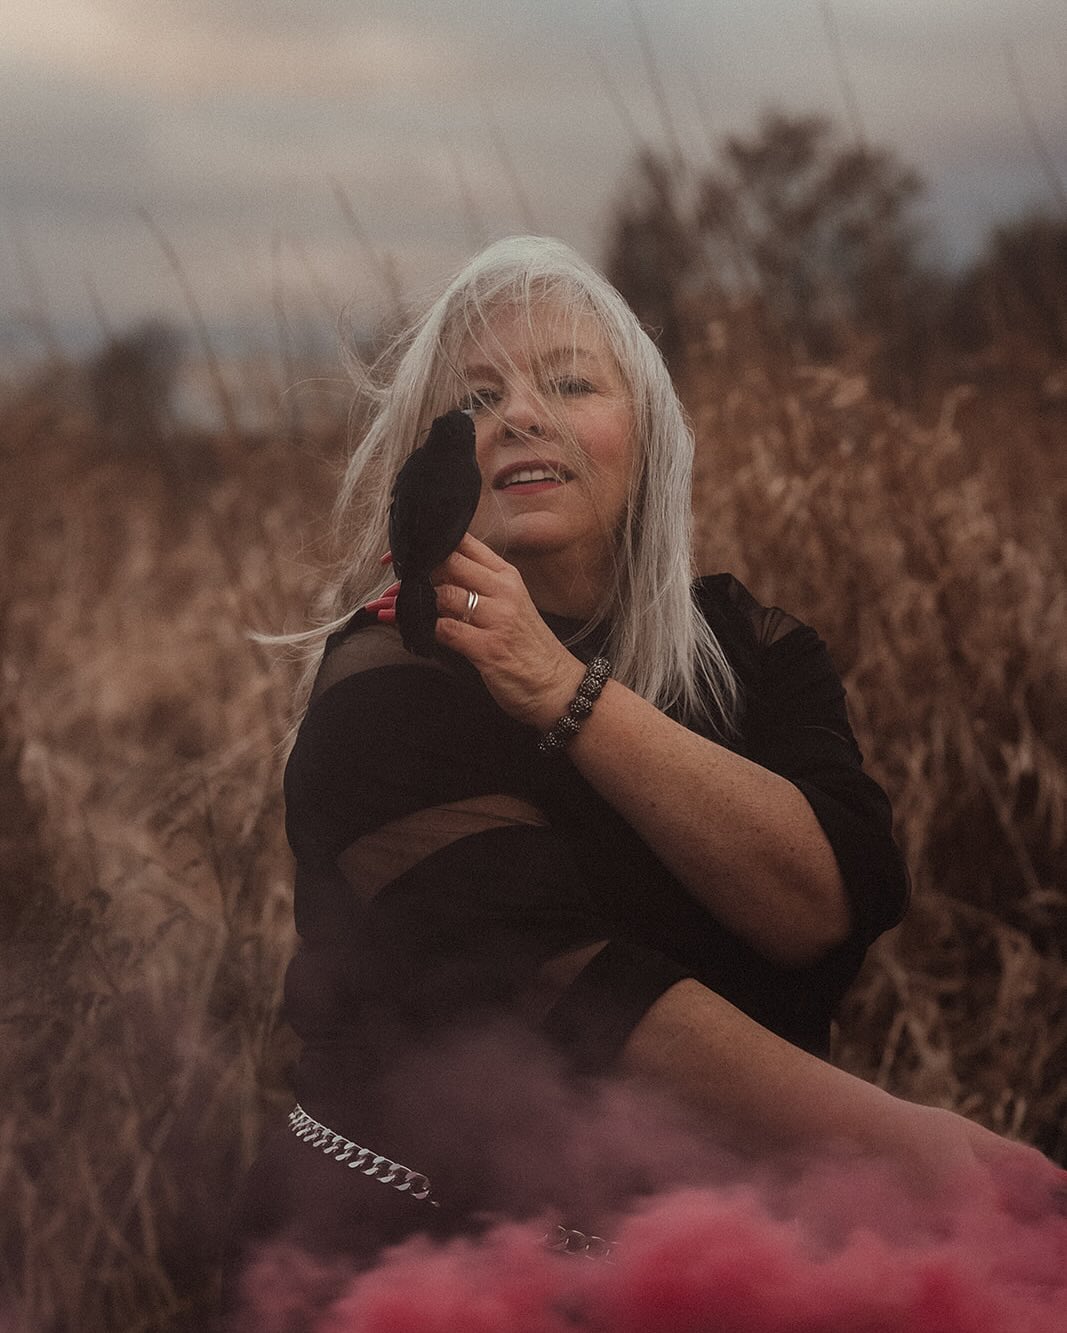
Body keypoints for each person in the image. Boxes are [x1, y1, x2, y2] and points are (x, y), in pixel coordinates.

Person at [226, 236, 1058, 1304]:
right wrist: (921, 1150)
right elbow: (556, 996)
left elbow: (822, 901)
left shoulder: (750, 651)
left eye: (570, 380)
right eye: (476, 397)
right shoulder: (388, 677)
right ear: (430, 467)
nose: (522, 412)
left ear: (649, 435)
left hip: (710, 1252)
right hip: (416, 1263)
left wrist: (566, 696)